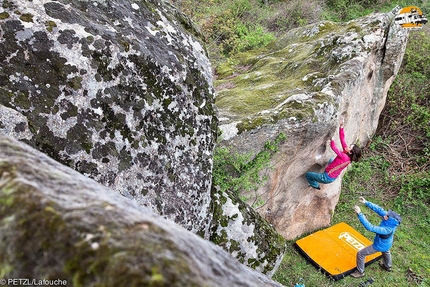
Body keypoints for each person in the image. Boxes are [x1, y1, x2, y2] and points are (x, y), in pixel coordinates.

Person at [350, 197, 402, 278]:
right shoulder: (391, 221)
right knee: (386, 252)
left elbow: (370, 227)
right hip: (388, 243)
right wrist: (366, 202)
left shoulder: (386, 230)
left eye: (388, 216)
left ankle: (360, 272)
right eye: (387, 214)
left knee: (360, 254)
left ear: (390, 220)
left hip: (379, 245)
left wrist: (360, 214)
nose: (385, 215)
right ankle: (387, 266)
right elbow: (379, 209)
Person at [305, 118, 362, 190]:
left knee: (308, 175)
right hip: (333, 175)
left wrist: (332, 139)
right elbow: (342, 139)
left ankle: (315, 185)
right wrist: (341, 127)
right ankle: (328, 171)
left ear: (350, 152)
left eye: (350, 147)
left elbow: (334, 148)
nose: (348, 146)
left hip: (327, 177)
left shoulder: (345, 156)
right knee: (331, 160)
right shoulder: (348, 155)